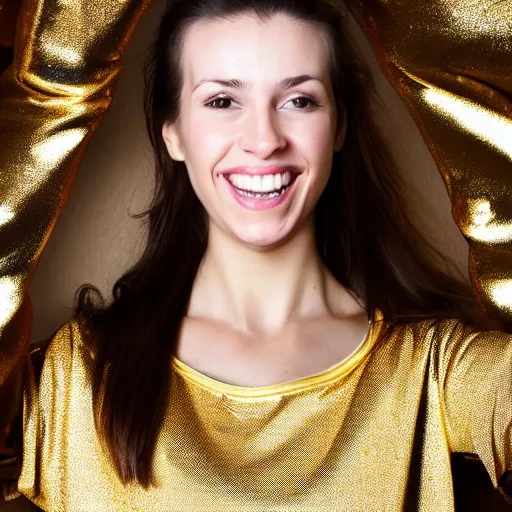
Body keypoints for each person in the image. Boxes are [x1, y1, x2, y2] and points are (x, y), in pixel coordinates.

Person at [0, 0, 511, 510]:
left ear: (339, 127)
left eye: (299, 100)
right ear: (173, 133)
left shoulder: (438, 371)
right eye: (223, 101)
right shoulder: (76, 377)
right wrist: (56, 84)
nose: (264, 140)